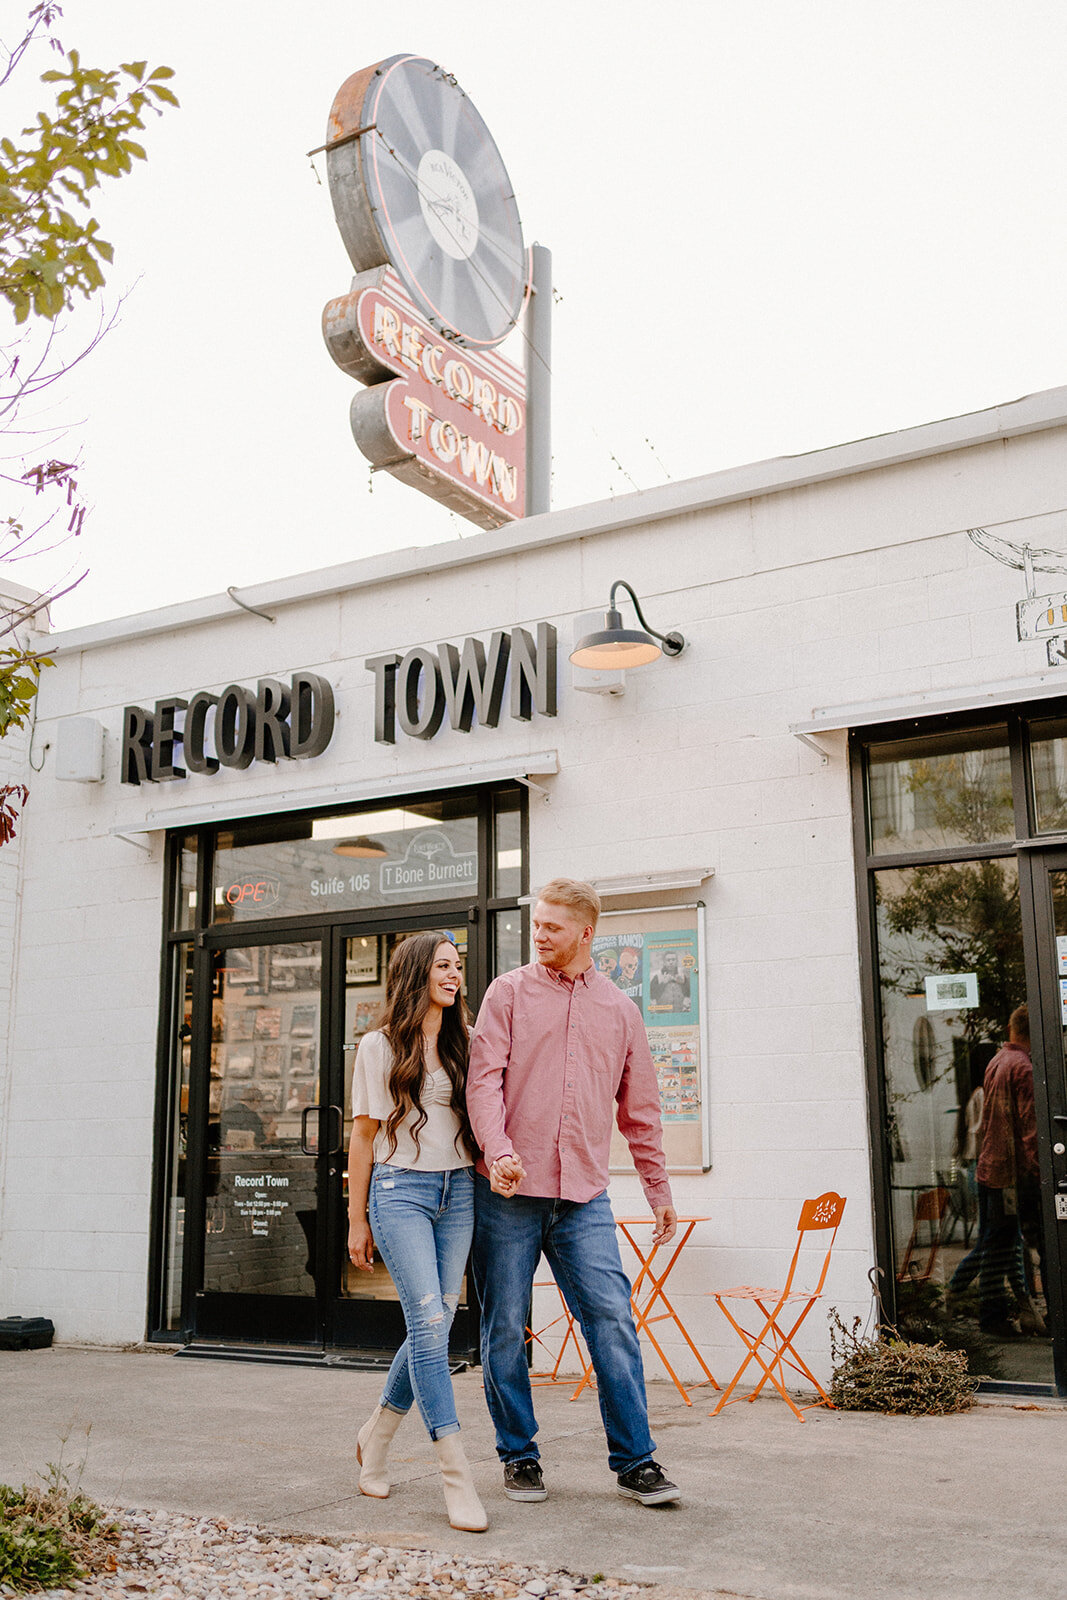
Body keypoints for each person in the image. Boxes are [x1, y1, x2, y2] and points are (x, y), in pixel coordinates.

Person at [467, 877, 680, 1508]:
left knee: (612, 1320)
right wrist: (499, 1152)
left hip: (584, 1195)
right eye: (537, 923)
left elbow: (640, 1110)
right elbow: (483, 1085)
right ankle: (519, 1455)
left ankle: (637, 1462)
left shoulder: (621, 1010)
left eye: (552, 926)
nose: (539, 934)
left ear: (587, 933)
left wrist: (657, 1186)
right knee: (504, 1326)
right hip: (507, 1192)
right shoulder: (507, 994)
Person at [347, 932, 486, 1533]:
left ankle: (375, 1438)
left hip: (458, 1191)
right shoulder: (379, 1046)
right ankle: (456, 1475)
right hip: (400, 1191)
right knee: (430, 1324)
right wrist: (356, 1218)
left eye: (458, 967)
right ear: (414, 975)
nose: (454, 976)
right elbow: (361, 1136)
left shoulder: (469, 1041)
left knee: (432, 1323)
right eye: (442, 967)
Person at [955, 1005, 1046, 1337]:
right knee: (1019, 1243)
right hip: (1012, 1172)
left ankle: (993, 1312)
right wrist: (1041, 1173)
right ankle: (995, 1313)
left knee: (999, 1243)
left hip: (991, 1167)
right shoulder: (1023, 1067)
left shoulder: (998, 1061)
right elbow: (1030, 1130)